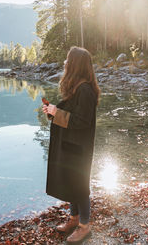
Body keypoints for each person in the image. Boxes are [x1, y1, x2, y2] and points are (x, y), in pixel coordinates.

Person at [42, 46, 100, 243]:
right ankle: (74, 219)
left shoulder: (85, 90)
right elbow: (68, 115)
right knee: (71, 181)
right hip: (72, 145)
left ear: (75, 64)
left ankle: (85, 226)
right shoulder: (77, 87)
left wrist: (57, 113)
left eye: (68, 60)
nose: (65, 63)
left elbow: (82, 121)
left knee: (80, 185)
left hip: (80, 149)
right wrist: (53, 111)